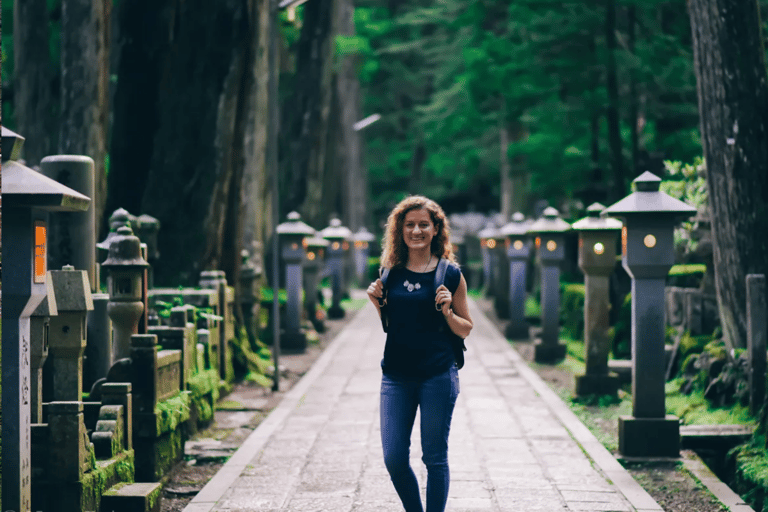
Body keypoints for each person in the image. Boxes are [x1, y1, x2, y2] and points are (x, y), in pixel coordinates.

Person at [367, 195, 473, 512]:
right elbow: (391, 324)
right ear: (400, 230)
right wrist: (376, 303)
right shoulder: (389, 273)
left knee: (434, 457)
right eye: (410, 225)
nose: (416, 231)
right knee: (394, 457)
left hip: (437, 375)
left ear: (435, 229)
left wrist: (447, 312)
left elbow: (466, 327)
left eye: (423, 225)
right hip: (396, 376)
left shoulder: (450, 275)